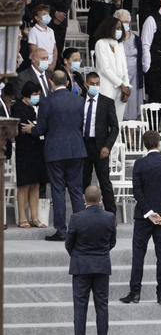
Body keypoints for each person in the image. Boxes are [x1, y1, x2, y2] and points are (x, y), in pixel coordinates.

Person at [21, 70, 87, 242]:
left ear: (51, 83)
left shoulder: (46, 102)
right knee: (76, 190)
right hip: (76, 149)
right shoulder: (79, 100)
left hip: (55, 151)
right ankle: (79, 230)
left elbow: (41, 129)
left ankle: (61, 231)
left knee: (58, 191)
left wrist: (31, 129)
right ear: (67, 83)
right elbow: (81, 124)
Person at [120, 130, 161, 305]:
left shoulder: (139, 164)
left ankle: (135, 293)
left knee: (138, 255)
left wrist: (148, 212)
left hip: (143, 217)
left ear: (144, 144)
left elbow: (137, 191)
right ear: (159, 143)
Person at [63, 186, 116, 335]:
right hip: (101, 265)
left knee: (80, 307)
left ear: (84, 198)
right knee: (102, 306)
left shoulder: (77, 218)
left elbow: (69, 243)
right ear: (100, 198)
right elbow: (112, 242)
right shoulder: (109, 217)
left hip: (81, 266)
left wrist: (78, 255)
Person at [82, 72, 119, 216]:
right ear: (86, 84)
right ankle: (83, 214)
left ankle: (111, 214)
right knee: (83, 181)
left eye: (97, 84)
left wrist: (107, 146)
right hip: (83, 145)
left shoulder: (107, 102)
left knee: (104, 182)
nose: (95, 86)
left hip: (101, 147)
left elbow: (115, 127)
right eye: (92, 84)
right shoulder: (80, 101)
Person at [12, 82, 48, 229]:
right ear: (27, 94)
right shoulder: (18, 108)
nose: (37, 97)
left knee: (36, 184)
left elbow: (38, 127)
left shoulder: (37, 107)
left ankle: (34, 217)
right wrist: (35, 128)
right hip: (25, 150)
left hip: (38, 150)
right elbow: (23, 128)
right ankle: (22, 217)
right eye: (34, 94)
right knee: (24, 185)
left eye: (38, 94)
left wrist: (35, 128)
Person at [93, 17, 131, 124]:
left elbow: (124, 67)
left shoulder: (120, 45)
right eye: (117, 28)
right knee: (106, 120)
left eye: (120, 28)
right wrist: (121, 84)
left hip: (121, 88)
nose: (119, 31)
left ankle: (116, 141)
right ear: (109, 28)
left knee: (117, 122)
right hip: (106, 86)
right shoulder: (100, 43)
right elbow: (105, 69)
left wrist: (127, 85)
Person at [115, 9, 145, 120]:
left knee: (132, 107)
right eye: (121, 22)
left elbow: (141, 58)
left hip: (134, 78)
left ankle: (130, 136)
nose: (124, 24)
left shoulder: (136, 38)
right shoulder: (113, 38)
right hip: (118, 78)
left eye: (126, 22)